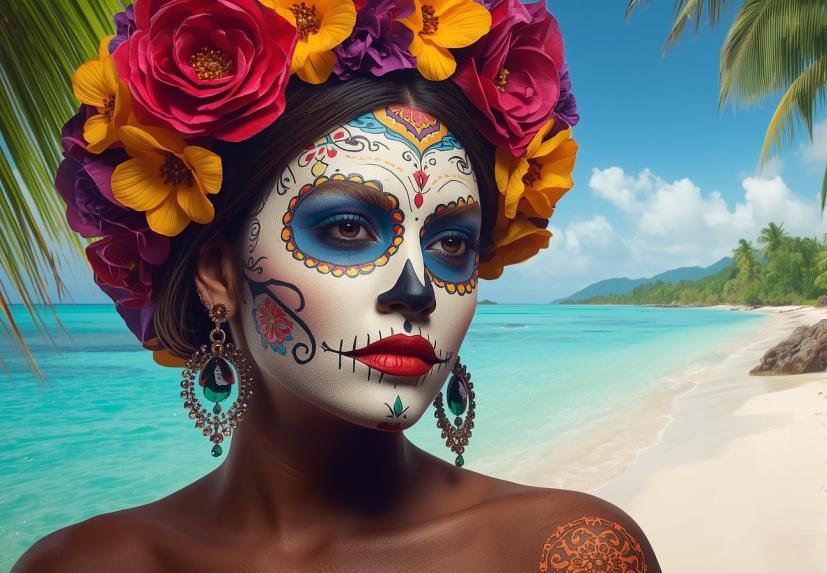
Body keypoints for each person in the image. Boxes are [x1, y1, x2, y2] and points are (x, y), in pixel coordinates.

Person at [15, 0, 660, 571]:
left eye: (451, 244)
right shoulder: (85, 567)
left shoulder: (569, 553)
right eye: (348, 228)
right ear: (218, 274)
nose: (417, 290)